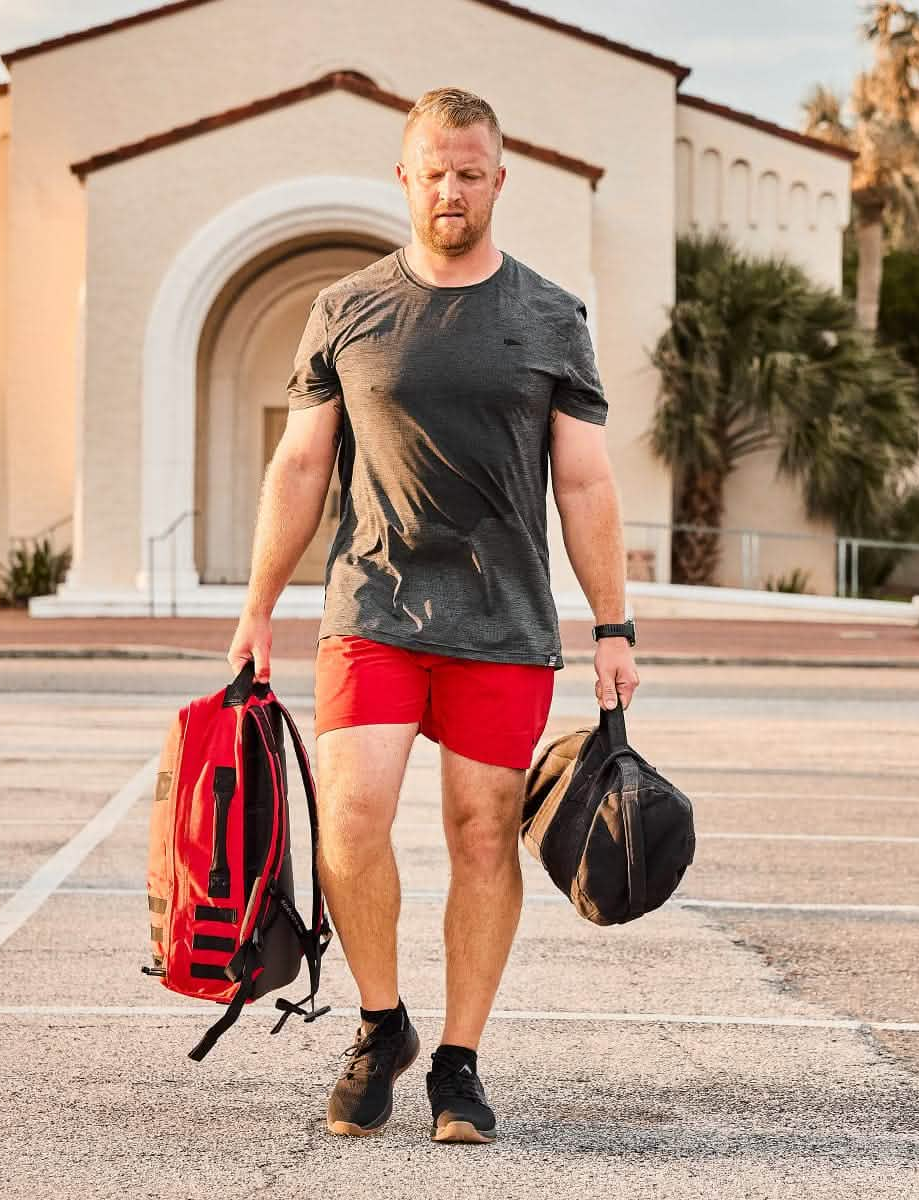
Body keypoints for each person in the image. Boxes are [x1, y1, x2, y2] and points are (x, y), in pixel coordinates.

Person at [226, 86, 639, 1145]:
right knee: (351, 823)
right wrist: (258, 607)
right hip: (373, 604)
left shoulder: (551, 317)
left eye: (470, 171)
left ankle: (458, 1059)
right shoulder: (348, 307)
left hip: (502, 623)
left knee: (481, 836)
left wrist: (614, 626)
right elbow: (302, 460)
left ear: (499, 180)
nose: (451, 188)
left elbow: (585, 485)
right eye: (433, 171)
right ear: (404, 179)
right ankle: (381, 1023)